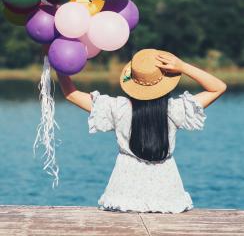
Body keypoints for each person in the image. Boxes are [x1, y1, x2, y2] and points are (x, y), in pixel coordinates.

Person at [56, 48, 227, 213]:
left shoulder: (118, 108)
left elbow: (71, 94)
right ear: (165, 81)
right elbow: (218, 87)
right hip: (167, 196)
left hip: (124, 194)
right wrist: (183, 66)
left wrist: (58, 60)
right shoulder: (174, 110)